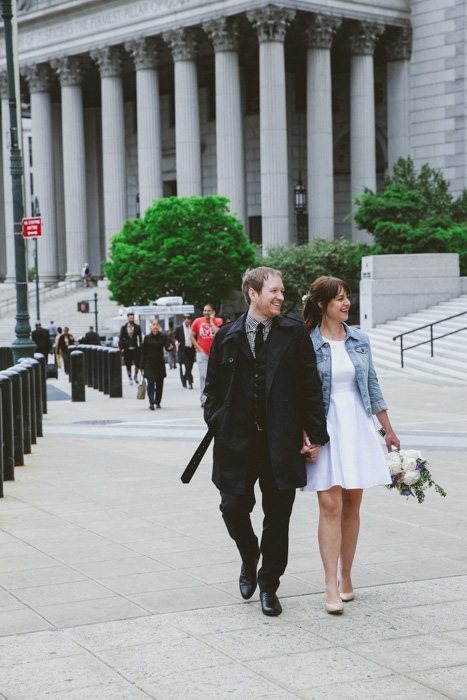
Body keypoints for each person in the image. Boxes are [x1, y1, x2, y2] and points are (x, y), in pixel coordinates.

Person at [204, 267, 328, 617]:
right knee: (232, 508)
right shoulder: (226, 336)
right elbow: (211, 390)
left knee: (278, 518)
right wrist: (216, 419)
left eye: (282, 291)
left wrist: (315, 434)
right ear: (253, 294)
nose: (280, 297)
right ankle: (248, 555)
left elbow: (310, 387)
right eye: (273, 291)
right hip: (235, 443)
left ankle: (269, 585)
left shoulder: (294, 334)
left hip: (281, 443)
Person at [302, 276, 400, 614]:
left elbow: (372, 384)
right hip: (324, 426)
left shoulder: (360, 339)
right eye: (339, 299)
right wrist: (304, 435)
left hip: (357, 424)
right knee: (330, 504)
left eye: (347, 298)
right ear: (321, 304)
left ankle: (346, 576)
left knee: (352, 505)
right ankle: (330, 584)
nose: (346, 304)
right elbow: (299, 394)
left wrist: (388, 430)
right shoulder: (307, 342)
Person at [190, 304, 222, 408]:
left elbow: (218, 334)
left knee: (216, 376)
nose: (206, 313)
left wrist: (212, 321)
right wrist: (198, 348)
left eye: (209, 311)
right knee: (203, 376)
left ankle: (214, 397)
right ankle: (204, 399)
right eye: (205, 311)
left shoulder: (218, 321)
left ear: (212, 312)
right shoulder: (197, 321)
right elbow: (191, 336)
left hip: (215, 353)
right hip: (202, 353)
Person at [140, 320, 173, 409]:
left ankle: (158, 401)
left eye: (157, 325)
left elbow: (167, 347)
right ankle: (151, 402)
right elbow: (144, 351)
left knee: (159, 384)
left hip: (159, 363)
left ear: (159, 327)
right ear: (151, 327)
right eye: (153, 325)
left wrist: (170, 348)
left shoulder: (163, 336)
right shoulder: (147, 338)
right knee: (150, 383)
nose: (155, 326)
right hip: (149, 363)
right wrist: (141, 365)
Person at [119, 312, 142, 385]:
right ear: (128, 318)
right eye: (130, 318)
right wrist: (122, 347)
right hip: (127, 348)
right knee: (128, 364)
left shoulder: (137, 327)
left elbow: (140, 338)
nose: (131, 319)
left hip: (135, 347)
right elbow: (121, 338)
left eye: (132, 318)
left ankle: (135, 375)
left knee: (137, 363)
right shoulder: (124, 327)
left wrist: (141, 347)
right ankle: (129, 377)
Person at [173, 313, 196, 389]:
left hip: (191, 349)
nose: (187, 322)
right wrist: (176, 342)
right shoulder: (179, 328)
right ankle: (190, 382)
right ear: (183, 320)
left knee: (191, 365)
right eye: (186, 321)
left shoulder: (192, 327)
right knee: (187, 365)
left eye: (189, 321)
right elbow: (174, 337)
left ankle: (184, 377)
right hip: (183, 350)